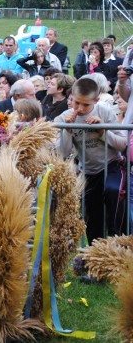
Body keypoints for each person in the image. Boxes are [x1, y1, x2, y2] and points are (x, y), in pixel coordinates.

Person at [55, 78, 127, 242]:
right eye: (76, 103)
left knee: (112, 191)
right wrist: (67, 131)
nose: (80, 109)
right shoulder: (65, 117)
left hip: (111, 165)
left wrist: (102, 132)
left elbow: (122, 144)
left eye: (86, 105)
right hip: (87, 171)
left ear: (96, 100)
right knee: (93, 217)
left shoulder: (104, 111)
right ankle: (96, 253)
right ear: (71, 97)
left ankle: (118, 239)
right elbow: (63, 152)